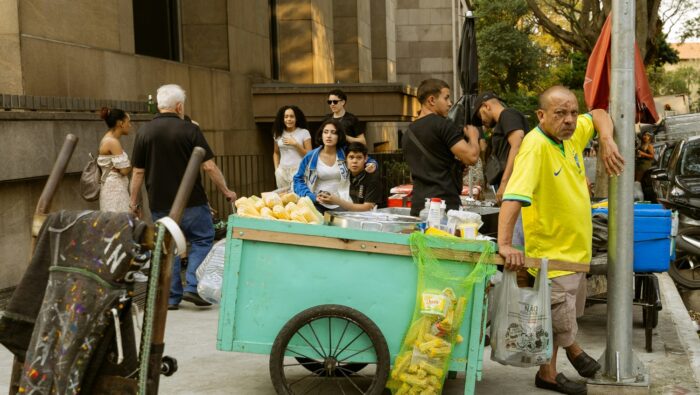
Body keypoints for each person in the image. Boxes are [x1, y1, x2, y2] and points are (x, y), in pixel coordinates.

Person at [498, 86, 624, 395]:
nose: (569, 119)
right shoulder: (534, 146)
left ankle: (550, 372)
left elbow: (597, 114)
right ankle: (568, 357)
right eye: (560, 113)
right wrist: (504, 245)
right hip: (551, 254)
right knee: (557, 316)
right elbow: (513, 197)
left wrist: (606, 139)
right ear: (541, 116)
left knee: (565, 313)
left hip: (574, 252)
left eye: (571, 112)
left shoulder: (572, 136)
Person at [129, 84, 237, 310]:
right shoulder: (190, 130)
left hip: (160, 203)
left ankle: (171, 297)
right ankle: (193, 286)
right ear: (179, 106)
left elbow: (138, 172)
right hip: (193, 201)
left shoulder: (144, 132)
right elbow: (209, 166)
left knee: (168, 247)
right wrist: (226, 191)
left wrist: (134, 201)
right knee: (202, 239)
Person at [403, 78, 481, 217]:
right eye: (446, 98)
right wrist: (474, 136)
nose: (450, 103)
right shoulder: (442, 125)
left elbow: (430, 166)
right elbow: (472, 157)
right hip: (444, 206)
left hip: (418, 206)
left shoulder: (407, 133)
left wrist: (456, 167)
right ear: (432, 100)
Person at [472, 91, 529, 204]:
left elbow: (517, 146)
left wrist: (504, 182)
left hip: (514, 186)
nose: (482, 121)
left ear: (486, 106)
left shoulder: (508, 114)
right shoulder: (503, 120)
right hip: (511, 186)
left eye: (480, 115)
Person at [293, 119, 351, 213]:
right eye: (325, 132)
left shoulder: (345, 153)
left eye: (333, 132)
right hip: (317, 204)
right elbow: (297, 180)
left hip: (341, 202)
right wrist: (312, 197)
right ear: (321, 135)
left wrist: (372, 164)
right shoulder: (311, 156)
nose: (329, 136)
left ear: (339, 136)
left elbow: (362, 159)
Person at [319, 142, 381, 211]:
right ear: (346, 159)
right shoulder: (345, 176)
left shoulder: (372, 178)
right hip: (351, 215)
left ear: (365, 159)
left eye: (359, 157)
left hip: (374, 218)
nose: (354, 161)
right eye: (351, 157)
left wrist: (337, 201)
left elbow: (368, 208)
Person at [97, 107, 132, 212]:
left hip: (113, 188)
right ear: (120, 123)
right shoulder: (112, 142)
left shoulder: (108, 139)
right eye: (128, 122)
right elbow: (124, 170)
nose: (130, 125)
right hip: (115, 191)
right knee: (120, 222)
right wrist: (130, 165)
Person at [272, 105, 312, 190]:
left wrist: (295, 144)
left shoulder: (304, 132)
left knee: (298, 198)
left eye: (292, 116)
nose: (289, 119)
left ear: (296, 118)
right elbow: (276, 152)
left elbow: (309, 155)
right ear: (282, 119)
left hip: (298, 171)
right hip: (282, 172)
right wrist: (277, 170)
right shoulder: (278, 133)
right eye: (286, 117)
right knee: (284, 198)